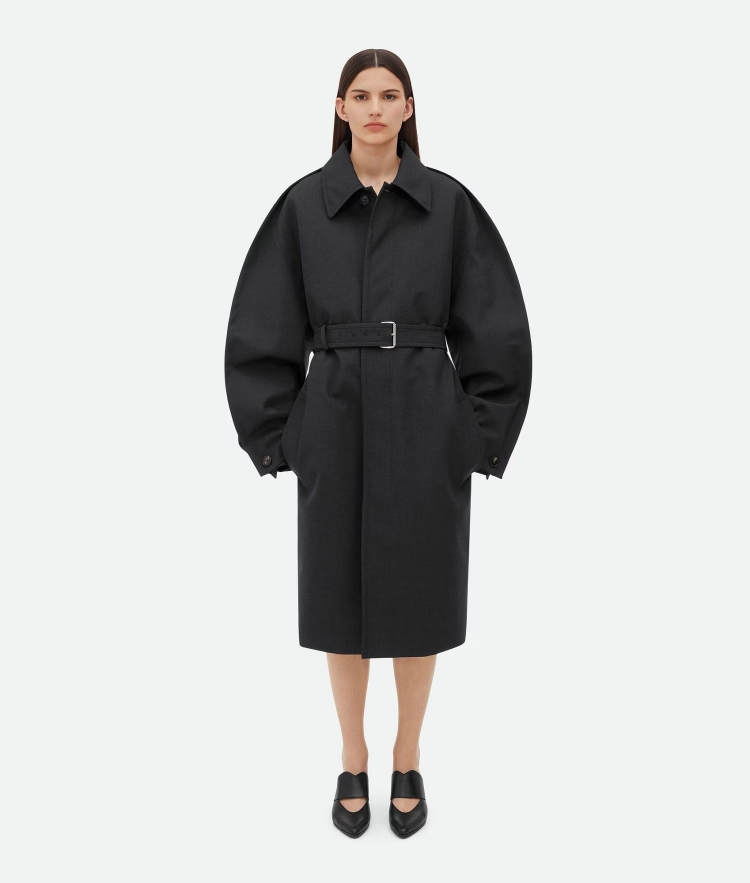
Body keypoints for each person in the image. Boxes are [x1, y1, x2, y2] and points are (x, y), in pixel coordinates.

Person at [224, 48, 533, 839]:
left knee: (421, 599)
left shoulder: (448, 204)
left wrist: (478, 432)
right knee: (339, 598)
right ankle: (352, 755)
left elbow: (495, 321)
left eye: (388, 95)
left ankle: (408, 753)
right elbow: (262, 320)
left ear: (408, 108)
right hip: (333, 416)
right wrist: (279, 434)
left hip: (426, 417)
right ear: (339, 108)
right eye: (359, 95)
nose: (373, 108)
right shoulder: (304, 206)